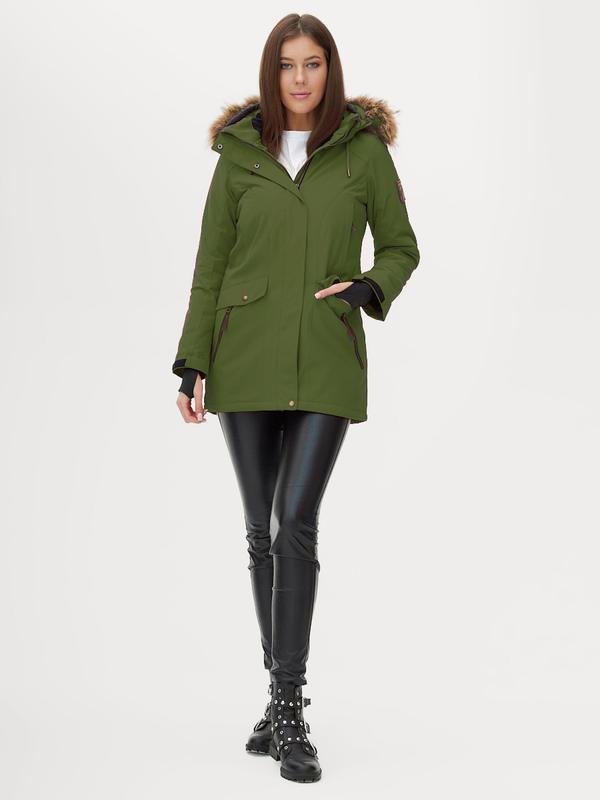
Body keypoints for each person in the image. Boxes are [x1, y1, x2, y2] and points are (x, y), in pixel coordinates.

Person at [172, 13, 420, 783]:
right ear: (271, 73)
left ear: (330, 70)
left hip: (326, 361)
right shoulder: (239, 155)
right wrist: (192, 361)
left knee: (295, 524)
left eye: (313, 64)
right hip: (243, 360)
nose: (301, 78)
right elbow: (210, 265)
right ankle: (277, 698)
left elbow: (402, 245)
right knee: (261, 531)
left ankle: (288, 708)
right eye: (288, 65)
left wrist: (369, 288)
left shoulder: (362, 151)